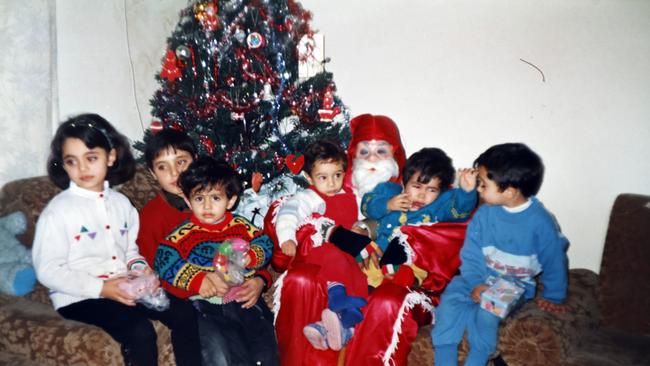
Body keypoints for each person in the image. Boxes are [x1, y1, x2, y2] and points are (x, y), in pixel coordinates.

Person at [32, 113, 197, 366]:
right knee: (140, 331)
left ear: (110, 156)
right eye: (72, 161)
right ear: (63, 165)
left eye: (91, 158)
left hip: (126, 287)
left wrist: (140, 270)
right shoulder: (58, 211)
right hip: (80, 297)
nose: (83, 168)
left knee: (185, 312)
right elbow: (47, 270)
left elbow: (130, 251)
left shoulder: (122, 205)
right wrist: (102, 288)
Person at [431, 143, 568, 366]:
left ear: (510, 192)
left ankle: (477, 359)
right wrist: (475, 282)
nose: (479, 190)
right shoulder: (484, 215)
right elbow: (471, 253)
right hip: (478, 276)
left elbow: (554, 260)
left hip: (513, 282)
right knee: (448, 304)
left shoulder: (540, 222)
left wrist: (554, 296)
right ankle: (443, 360)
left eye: (484, 185)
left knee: (487, 313)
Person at [154, 156, 278, 366]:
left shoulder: (241, 226)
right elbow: (163, 261)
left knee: (265, 351)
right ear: (187, 200)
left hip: (244, 300)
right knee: (219, 355)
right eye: (199, 198)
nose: (207, 205)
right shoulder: (182, 235)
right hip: (206, 307)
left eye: (216, 198)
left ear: (231, 200)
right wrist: (197, 280)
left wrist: (252, 256)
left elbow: (265, 243)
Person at [273, 140, 368, 351]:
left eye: (338, 175)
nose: (332, 183)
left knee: (359, 274)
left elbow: (365, 219)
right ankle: (337, 299)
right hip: (320, 252)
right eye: (323, 177)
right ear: (309, 177)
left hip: (345, 253)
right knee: (336, 258)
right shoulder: (309, 196)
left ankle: (339, 327)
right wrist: (287, 238)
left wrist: (362, 229)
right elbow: (289, 213)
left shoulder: (352, 197)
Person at [361, 147, 477, 287]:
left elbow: (460, 211)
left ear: (440, 192)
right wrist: (388, 204)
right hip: (378, 256)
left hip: (412, 263)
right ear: (404, 183)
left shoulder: (438, 207)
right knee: (355, 256)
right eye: (417, 186)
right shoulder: (390, 191)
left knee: (408, 274)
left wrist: (467, 192)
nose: (422, 195)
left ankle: (404, 281)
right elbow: (367, 207)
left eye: (431, 190)